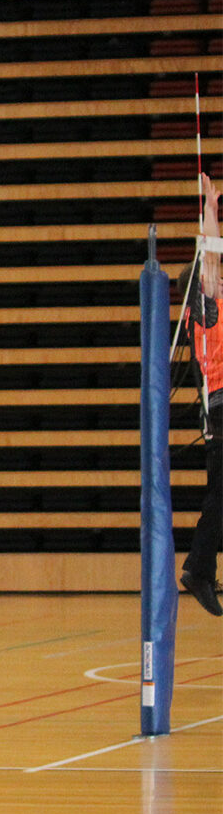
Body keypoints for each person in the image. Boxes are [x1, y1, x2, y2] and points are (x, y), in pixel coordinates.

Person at [181, 173, 223, 616]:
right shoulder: (206, 307)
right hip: (222, 406)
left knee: (220, 495)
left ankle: (200, 568)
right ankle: (198, 569)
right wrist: (210, 213)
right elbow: (210, 258)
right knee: (220, 495)